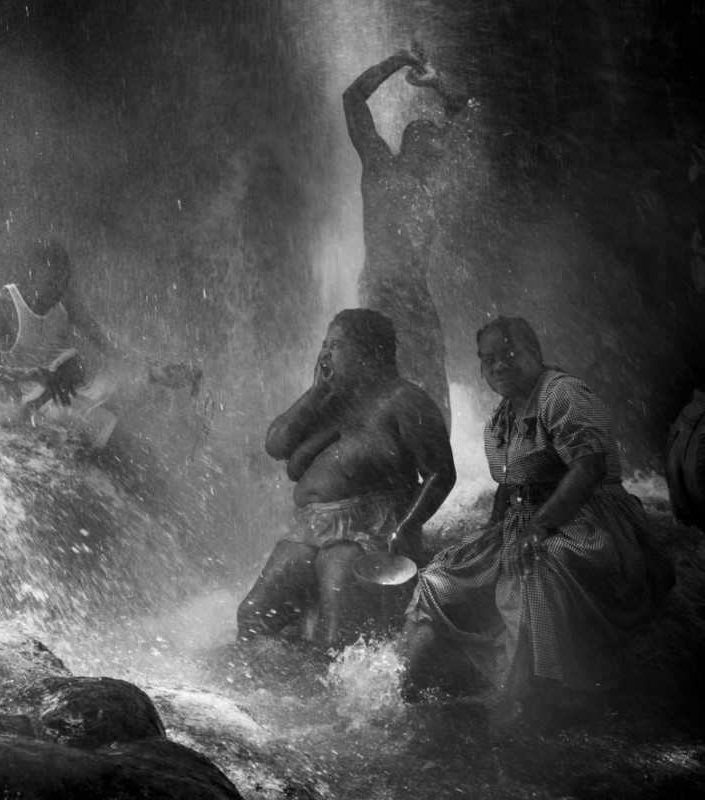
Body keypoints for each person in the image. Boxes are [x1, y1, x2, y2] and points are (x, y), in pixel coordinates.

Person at [398, 316, 675, 718]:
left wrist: (537, 528)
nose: (498, 366)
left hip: (588, 520)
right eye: (487, 359)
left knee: (537, 572)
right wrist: (493, 534)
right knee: (440, 577)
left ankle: (541, 698)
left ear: (534, 352)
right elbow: (511, 485)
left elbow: (589, 468)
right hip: (525, 523)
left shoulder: (563, 395)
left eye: (509, 354)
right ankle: (415, 686)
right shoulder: (502, 416)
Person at [236, 309, 455, 649]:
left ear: (370, 353)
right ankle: (271, 692)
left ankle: (331, 697)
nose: (324, 353)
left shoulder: (404, 400)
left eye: (336, 345)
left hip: (370, 528)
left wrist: (405, 528)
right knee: (252, 616)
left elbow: (441, 473)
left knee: (337, 633)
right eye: (324, 344)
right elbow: (276, 444)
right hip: (311, 528)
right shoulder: (329, 401)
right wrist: (314, 392)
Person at [0, 237, 201, 449]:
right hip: (31, 409)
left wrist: (157, 365)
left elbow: (107, 343)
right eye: (52, 282)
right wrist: (34, 373)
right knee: (108, 438)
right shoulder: (2, 305)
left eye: (64, 283)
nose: (58, 290)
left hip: (70, 395)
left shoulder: (64, 302)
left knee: (134, 396)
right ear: (31, 273)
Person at [343, 48, 469, 428]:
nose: (438, 153)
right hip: (381, 290)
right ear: (411, 144)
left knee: (434, 380)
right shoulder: (380, 166)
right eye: (431, 146)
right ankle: (372, 461)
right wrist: (397, 60)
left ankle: (438, 464)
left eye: (438, 149)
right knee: (376, 379)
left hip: (416, 294)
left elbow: (464, 110)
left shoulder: (424, 184)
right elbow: (352, 98)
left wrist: (436, 84)